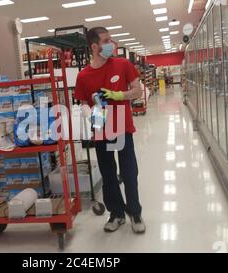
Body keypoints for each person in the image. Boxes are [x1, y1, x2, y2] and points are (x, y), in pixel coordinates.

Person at [75, 27, 146, 234]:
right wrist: (90, 113)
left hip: (123, 127)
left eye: (111, 39)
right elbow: (82, 102)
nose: (111, 43)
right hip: (101, 129)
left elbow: (137, 90)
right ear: (94, 46)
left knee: (129, 171)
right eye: (106, 40)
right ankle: (116, 214)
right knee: (108, 174)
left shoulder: (123, 64)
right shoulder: (83, 76)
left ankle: (134, 212)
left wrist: (118, 96)